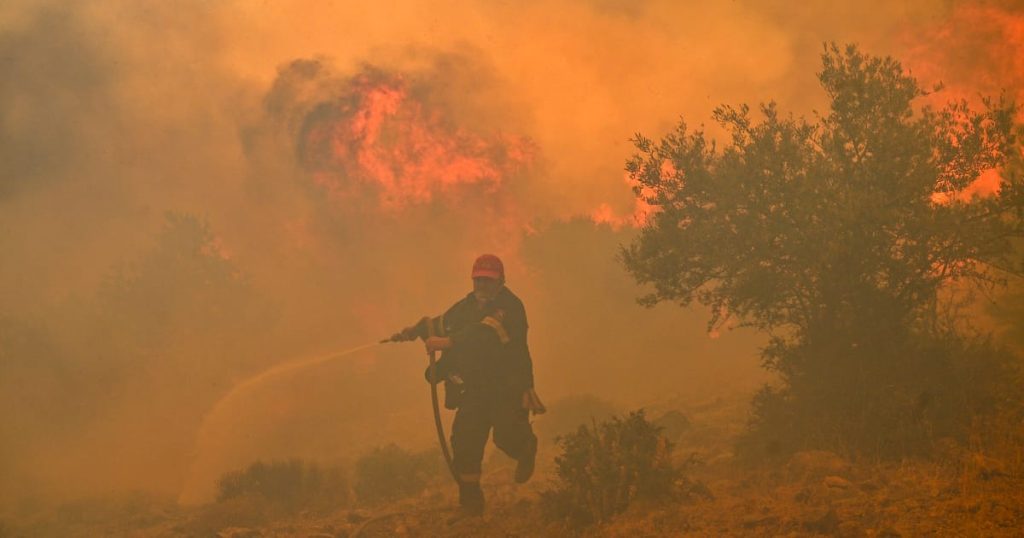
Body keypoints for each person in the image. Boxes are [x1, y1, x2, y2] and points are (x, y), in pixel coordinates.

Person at [391, 254, 544, 521]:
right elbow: (442, 323)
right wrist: (416, 330)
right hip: (475, 389)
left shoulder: (510, 307)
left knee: (506, 437)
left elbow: (483, 335)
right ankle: (471, 504)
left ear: (501, 281)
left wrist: (447, 342)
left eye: (488, 280)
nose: (482, 286)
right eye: (478, 280)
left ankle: (526, 446)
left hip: (507, 386)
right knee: (465, 442)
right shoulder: (467, 305)